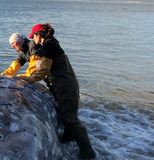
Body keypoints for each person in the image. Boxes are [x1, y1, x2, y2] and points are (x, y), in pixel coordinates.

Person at [18, 23, 96, 159]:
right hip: (63, 85)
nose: (32, 40)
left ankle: (88, 152)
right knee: (65, 114)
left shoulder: (49, 45)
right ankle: (68, 137)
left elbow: (43, 70)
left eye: (33, 36)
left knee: (71, 119)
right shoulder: (51, 43)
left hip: (65, 87)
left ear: (38, 35)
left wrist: (29, 79)